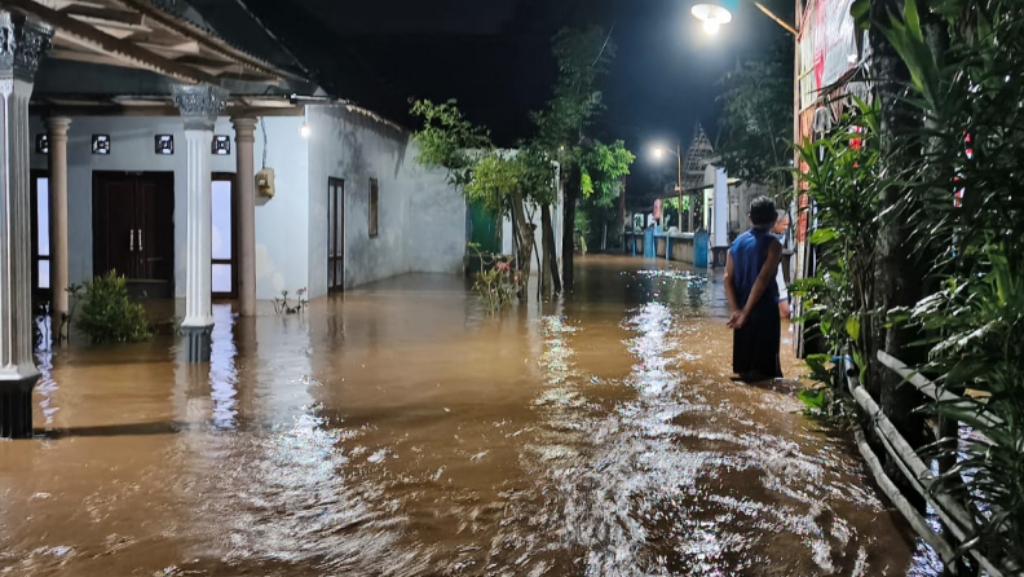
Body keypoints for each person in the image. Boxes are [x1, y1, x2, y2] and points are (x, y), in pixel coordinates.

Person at [724, 196, 783, 382]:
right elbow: (763, 279)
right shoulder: (774, 245)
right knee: (767, 376)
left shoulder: (736, 244)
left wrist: (737, 311)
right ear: (774, 217)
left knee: (744, 373)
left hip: (741, 317)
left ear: (750, 218)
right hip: (764, 313)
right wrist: (746, 312)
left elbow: (727, 279)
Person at [772, 209, 791, 320]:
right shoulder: (767, 238)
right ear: (775, 223)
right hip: (770, 281)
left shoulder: (782, 236)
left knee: (785, 313)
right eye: (784, 225)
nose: (786, 228)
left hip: (779, 280)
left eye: (787, 225)